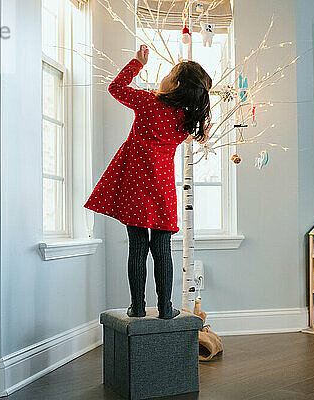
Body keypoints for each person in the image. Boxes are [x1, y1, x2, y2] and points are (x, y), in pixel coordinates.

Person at [84, 45, 212, 319]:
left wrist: (138, 63)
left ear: (175, 84)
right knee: (162, 249)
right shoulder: (185, 119)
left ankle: (138, 306)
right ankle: (166, 308)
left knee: (138, 247)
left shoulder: (148, 102)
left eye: (168, 75)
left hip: (136, 186)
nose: (163, 78)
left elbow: (116, 88)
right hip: (163, 189)